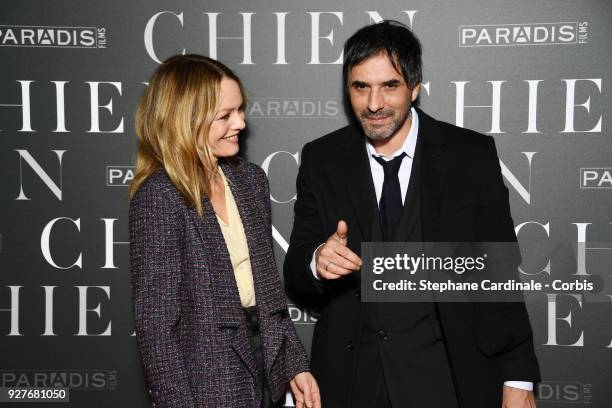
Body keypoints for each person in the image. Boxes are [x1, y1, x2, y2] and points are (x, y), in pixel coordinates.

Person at [284, 21, 540, 408]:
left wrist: (518, 376)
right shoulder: (322, 159)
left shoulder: (469, 155)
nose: (374, 104)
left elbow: (498, 271)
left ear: (415, 87)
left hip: (447, 375)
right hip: (353, 378)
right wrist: (317, 260)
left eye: (390, 85)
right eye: (360, 86)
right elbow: (297, 266)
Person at [128, 54, 320, 408]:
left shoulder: (250, 181)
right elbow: (157, 328)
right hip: (204, 381)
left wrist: (295, 364)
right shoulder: (159, 196)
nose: (241, 123)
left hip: (266, 365)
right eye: (225, 115)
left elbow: (267, 292)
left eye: (241, 110)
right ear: (187, 120)